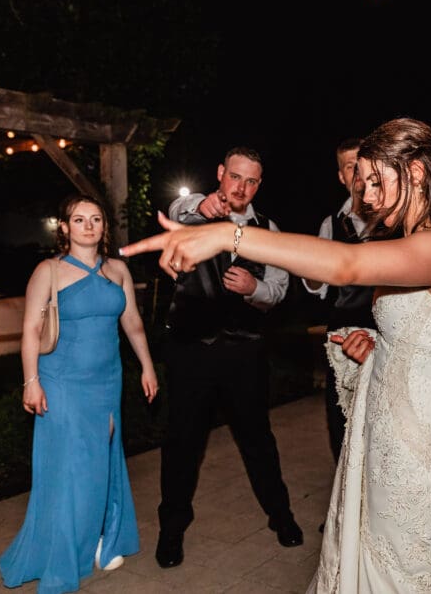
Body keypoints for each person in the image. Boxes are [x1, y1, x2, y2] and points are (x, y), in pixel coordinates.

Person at [122, 117, 431, 593]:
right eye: (361, 184)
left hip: (425, 445)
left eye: (375, 182)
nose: (367, 197)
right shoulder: (412, 241)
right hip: (390, 426)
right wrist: (380, 347)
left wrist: (227, 235)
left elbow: (346, 266)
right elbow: (426, 330)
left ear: (415, 173)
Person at [0, 194, 159, 594]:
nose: (89, 226)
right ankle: (67, 549)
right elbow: (31, 331)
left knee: (103, 460)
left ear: (104, 227)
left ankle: (103, 538)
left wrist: (147, 366)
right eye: (79, 219)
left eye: (96, 219)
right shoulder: (49, 271)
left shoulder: (118, 270)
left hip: (107, 380)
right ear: (64, 228)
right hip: (62, 381)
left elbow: (133, 323)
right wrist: (31, 381)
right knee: (73, 467)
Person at [154, 146, 300, 570]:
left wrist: (255, 290)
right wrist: (201, 205)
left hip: (244, 353)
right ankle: (171, 530)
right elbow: (176, 208)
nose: (241, 187)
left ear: (259, 185)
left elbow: (278, 291)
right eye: (235, 176)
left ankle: (281, 515)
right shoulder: (193, 214)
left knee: (258, 441)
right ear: (220, 173)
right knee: (182, 444)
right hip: (190, 351)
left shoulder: (268, 230)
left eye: (251, 181)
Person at [303, 136, 376, 464]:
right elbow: (317, 286)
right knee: (341, 425)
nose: (357, 173)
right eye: (350, 167)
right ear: (341, 176)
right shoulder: (330, 224)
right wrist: (308, 269)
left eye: (363, 165)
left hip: (387, 337)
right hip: (343, 340)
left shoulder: (395, 219)